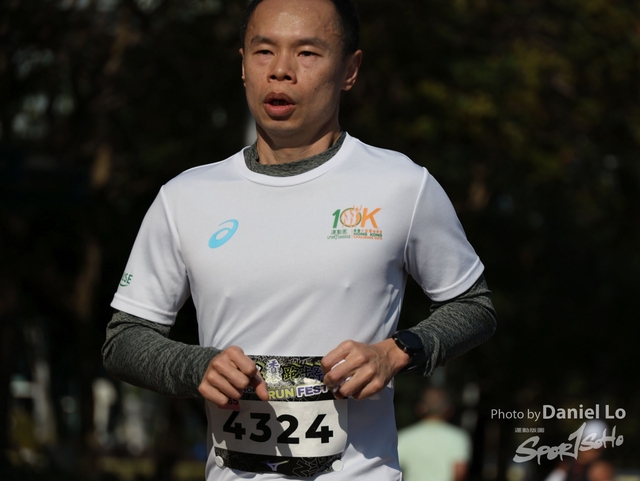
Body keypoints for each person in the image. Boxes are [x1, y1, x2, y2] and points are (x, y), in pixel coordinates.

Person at [102, 0, 497, 479]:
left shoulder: (402, 185)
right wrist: (196, 366)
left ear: (350, 70)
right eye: (263, 51)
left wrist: (395, 353)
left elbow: (473, 306)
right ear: (243, 65)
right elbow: (124, 339)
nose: (281, 70)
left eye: (307, 53)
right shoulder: (185, 196)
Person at [398, 387, 471, 481]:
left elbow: (394, 469)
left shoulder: (404, 436)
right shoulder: (458, 437)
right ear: (449, 409)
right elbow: (460, 471)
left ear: (420, 408)